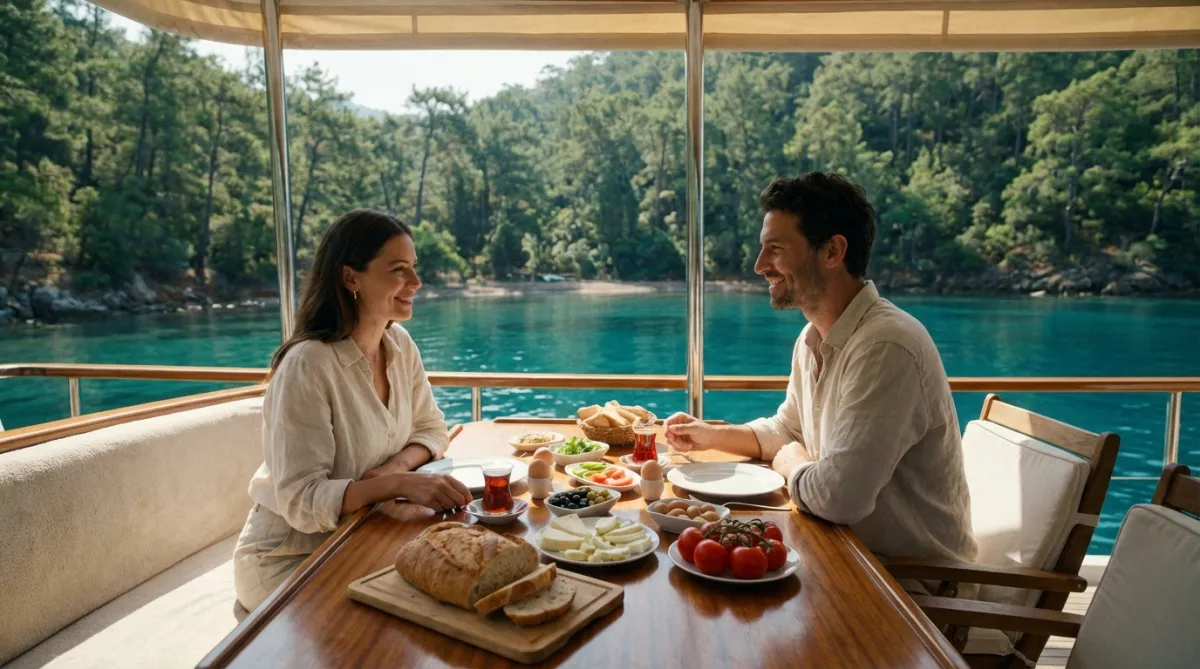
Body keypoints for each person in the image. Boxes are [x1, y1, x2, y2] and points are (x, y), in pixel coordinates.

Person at [665, 173, 976, 566]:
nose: (760, 266)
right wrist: (711, 435)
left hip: (905, 585)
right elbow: (789, 430)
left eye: (775, 249)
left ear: (832, 251)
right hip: (841, 554)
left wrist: (792, 463)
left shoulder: (886, 347)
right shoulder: (813, 337)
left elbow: (839, 498)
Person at [233, 209, 471, 611]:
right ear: (350, 278)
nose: (416, 282)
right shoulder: (307, 364)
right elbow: (302, 501)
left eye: (414, 267)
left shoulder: (399, 345)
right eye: (399, 270)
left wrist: (394, 469)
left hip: (366, 533)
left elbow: (432, 429)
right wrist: (397, 486)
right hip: (290, 558)